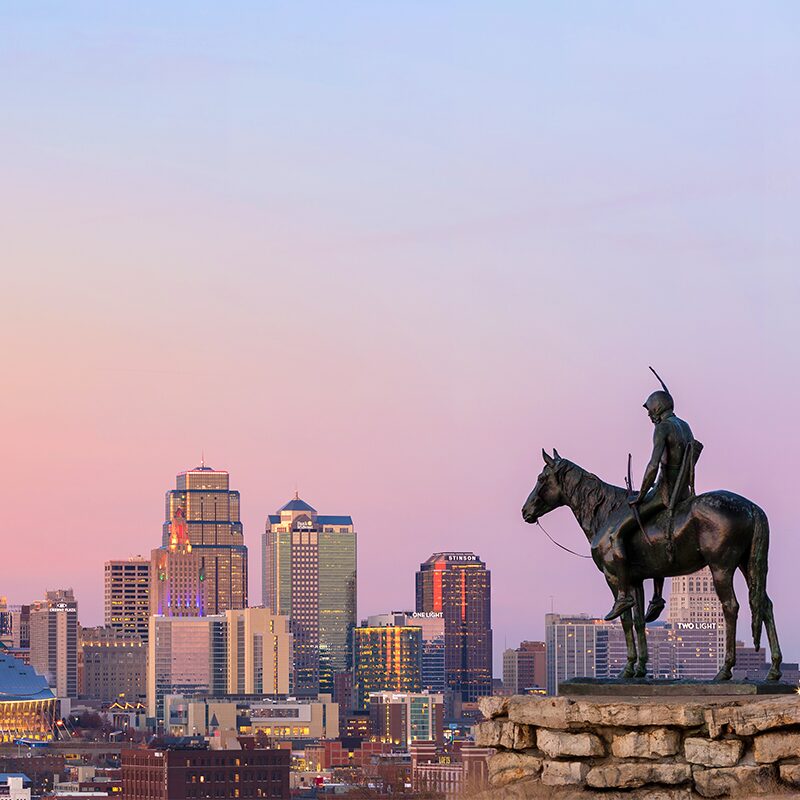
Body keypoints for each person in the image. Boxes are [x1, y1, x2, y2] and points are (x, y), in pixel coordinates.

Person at [604, 369, 702, 622]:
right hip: (684, 493)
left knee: (617, 534)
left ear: (658, 408)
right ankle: (657, 597)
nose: (649, 416)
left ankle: (623, 595)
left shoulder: (663, 428)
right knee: (651, 534)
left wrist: (641, 495)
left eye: (650, 411)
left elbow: (653, 465)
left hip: (665, 494)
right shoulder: (685, 426)